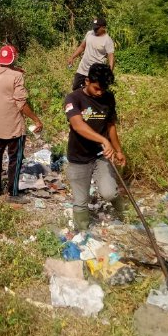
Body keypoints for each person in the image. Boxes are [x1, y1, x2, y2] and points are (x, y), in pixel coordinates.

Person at [63, 62, 126, 230]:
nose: (100, 93)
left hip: (101, 155)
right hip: (79, 156)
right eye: (97, 88)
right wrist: (104, 141)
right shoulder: (73, 98)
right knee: (80, 201)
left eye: (103, 89)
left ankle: (126, 216)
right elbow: (77, 125)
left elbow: (111, 126)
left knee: (109, 192)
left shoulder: (108, 97)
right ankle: (83, 233)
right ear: (87, 81)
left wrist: (118, 150)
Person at [0, 45, 43, 204]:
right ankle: (13, 193)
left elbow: (3, 71)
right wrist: (36, 120)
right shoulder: (17, 77)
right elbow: (21, 104)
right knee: (15, 160)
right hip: (13, 125)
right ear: (14, 58)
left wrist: (14, 69)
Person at [67, 17, 115, 91]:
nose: (94, 30)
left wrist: (109, 73)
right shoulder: (89, 33)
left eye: (97, 28)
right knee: (76, 89)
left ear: (103, 28)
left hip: (95, 73)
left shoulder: (107, 40)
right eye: (94, 27)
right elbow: (82, 47)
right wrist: (72, 57)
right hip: (82, 69)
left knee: (92, 93)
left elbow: (111, 58)